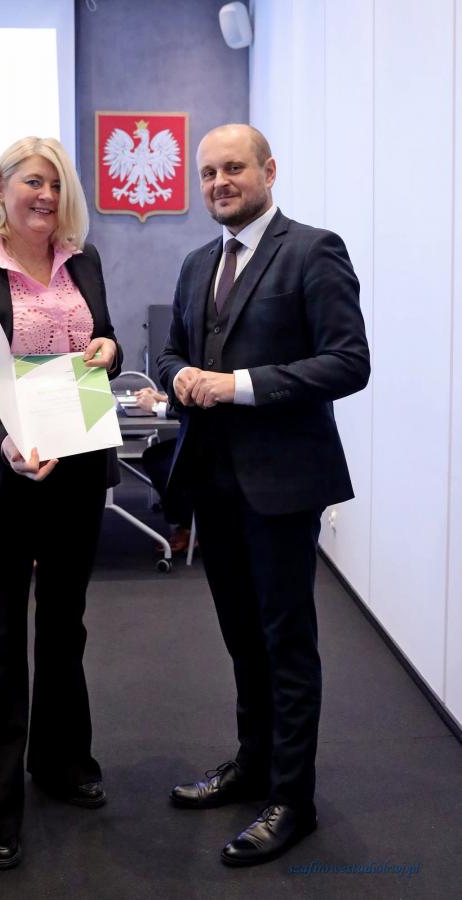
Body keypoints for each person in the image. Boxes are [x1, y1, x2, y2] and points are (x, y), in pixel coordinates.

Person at [158, 124, 370, 867]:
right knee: (242, 639)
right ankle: (253, 764)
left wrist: (238, 386)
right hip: (213, 482)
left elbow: (349, 362)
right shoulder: (196, 263)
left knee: (287, 643)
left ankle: (292, 799)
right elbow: (171, 351)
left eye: (234, 168)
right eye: (208, 172)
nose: (219, 182)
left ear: (268, 171)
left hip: (283, 485)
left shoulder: (313, 250)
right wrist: (180, 375)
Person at [0, 136, 122, 870]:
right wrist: (1, 441)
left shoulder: (83, 260)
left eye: (57, 184)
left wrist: (110, 351)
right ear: (2, 188)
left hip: (78, 468)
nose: (46, 195)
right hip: (3, 471)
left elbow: (101, 343)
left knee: (66, 624)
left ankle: (62, 763)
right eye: (34, 182)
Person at [134, 387, 193, 552]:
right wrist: (161, 398)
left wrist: (155, 406)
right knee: (154, 456)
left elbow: (202, 408)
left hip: (218, 445)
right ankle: (183, 522)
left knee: (160, 461)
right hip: (209, 438)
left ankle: (188, 526)